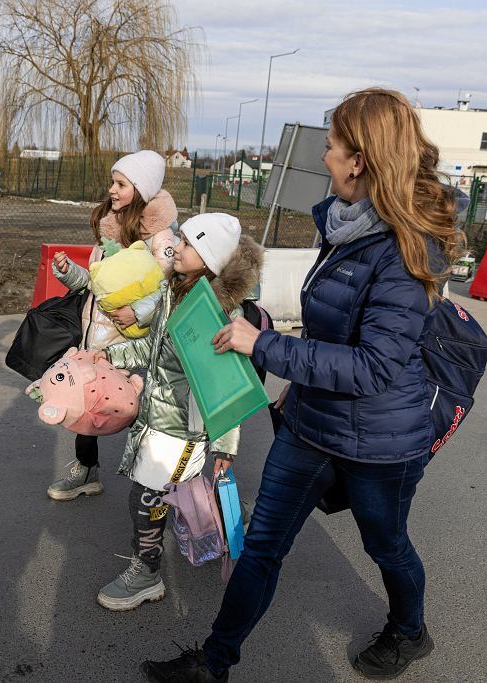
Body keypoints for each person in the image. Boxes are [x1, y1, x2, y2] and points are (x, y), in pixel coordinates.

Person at [142, 88, 464, 681]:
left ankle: (410, 629)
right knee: (262, 546)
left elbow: (374, 366)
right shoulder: (344, 227)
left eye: (334, 146)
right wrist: (269, 338)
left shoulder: (407, 248)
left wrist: (265, 347)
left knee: (386, 546)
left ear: (361, 159)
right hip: (314, 424)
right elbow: (329, 325)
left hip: (381, 442)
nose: (326, 157)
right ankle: (214, 664)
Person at [92, 213, 262, 611]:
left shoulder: (219, 314)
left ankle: (147, 572)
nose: (176, 248)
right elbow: (150, 349)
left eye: (186, 243)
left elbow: (224, 387)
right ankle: (232, 520)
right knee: (172, 494)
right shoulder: (175, 291)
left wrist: (225, 450)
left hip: (183, 428)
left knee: (147, 497)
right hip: (156, 416)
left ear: (208, 257)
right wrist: (108, 355)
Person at [47, 150, 179, 501]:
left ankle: (164, 484)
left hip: (135, 343)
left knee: (141, 410)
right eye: (113, 183)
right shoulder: (109, 229)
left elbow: (169, 289)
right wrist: (66, 272)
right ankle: (87, 470)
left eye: (120, 184)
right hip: (97, 337)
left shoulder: (161, 238)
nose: (112, 190)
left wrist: (139, 312)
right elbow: (93, 283)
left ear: (140, 188)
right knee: (86, 403)